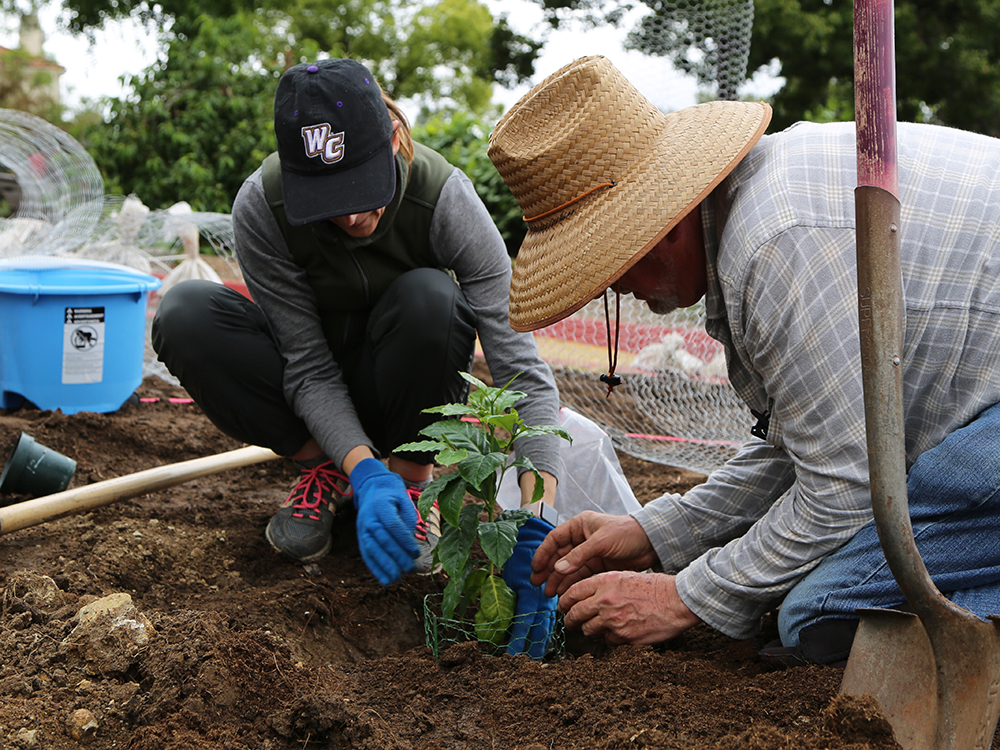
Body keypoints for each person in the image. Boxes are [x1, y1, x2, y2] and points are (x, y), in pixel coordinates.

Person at [486, 54, 1000, 666]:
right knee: (792, 586)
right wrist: (658, 534)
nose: (613, 289)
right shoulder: (752, 216)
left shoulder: (773, 245)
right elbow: (804, 450)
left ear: (663, 226)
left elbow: (842, 491)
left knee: (814, 612)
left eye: (609, 261)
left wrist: (682, 597)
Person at [152, 58, 562, 649]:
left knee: (433, 299)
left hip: (402, 382)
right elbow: (308, 365)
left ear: (395, 140)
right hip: (309, 393)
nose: (350, 214)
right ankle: (329, 466)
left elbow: (520, 367)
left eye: (362, 188)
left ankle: (413, 480)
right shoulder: (263, 210)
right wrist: (363, 470)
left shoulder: (444, 199)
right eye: (328, 198)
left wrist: (536, 518)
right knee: (186, 313)